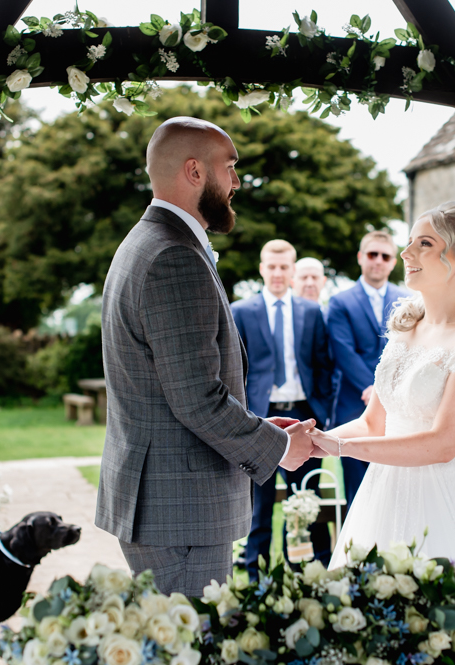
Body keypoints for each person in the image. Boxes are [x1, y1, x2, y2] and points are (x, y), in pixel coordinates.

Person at [94, 117, 317, 596]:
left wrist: (256, 425)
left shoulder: (146, 242)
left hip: (165, 502)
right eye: (229, 167)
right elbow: (197, 398)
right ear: (195, 171)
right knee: (195, 634)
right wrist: (279, 447)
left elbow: (174, 383)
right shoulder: (173, 256)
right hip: (180, 511)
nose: (236, 182)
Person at [313, 202, 455, 567]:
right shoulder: (406, 328)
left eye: (425, 244)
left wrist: (341, 448)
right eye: (410, 242)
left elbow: (443, 444)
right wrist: (314, 443)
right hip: (383, 492)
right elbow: (373, 424)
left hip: (443, 499)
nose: (406, 253)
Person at [231, 240, 333, 576]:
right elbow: (235, 368)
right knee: (258, 504)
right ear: (262, 269)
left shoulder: (311, 312)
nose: (277, 273)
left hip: (302, 414)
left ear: (292, 270)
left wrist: (322, 410)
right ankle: (256, 576)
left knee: (304, 499)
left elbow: (322, 364)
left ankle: (303, 572)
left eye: (284, 267)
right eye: (271, 267)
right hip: (260, 417)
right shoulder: (241, 311)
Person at [327, 231, 409, 508]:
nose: (378, 261)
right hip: (354, 405)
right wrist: (372, 388)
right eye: (373, 254)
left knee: (397, 490)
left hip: (399, 407)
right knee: (358, 492)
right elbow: (343, 351)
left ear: (393, 262)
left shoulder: (408, 300)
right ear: (361, 257)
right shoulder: (340, 301)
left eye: (385, 256)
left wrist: (387, 390)